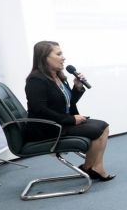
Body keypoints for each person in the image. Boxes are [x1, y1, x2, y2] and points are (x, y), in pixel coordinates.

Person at [25, 41, 114, 181]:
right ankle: (91, 168)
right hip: (48, 127)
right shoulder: (36, 80)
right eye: (59, 54)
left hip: (60, 121)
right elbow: (40, 110)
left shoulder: (58, 76)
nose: (63, 58)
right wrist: (71, 119)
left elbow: (66, 103)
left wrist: (77, 88)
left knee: (104, 126)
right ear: (44, 57)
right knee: (98, 129)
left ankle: (92, 167)